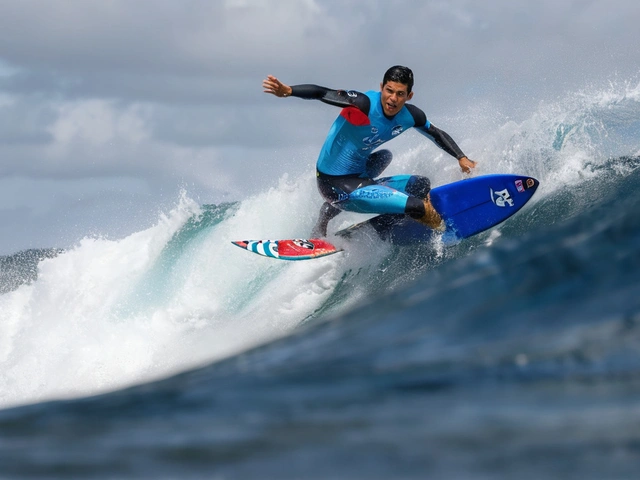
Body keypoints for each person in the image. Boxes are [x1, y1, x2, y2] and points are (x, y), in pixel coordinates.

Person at [262, 65, 477, 238]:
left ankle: (387, 220)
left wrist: (462, 157)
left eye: (400, 94)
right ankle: (444, 231)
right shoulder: (362, 103)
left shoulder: (411, 116)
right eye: (389, 91)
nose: (392, 98)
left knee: (420, 184)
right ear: (382, 87)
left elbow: (436, 133)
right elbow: (322, 92)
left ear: (409, 96)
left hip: (360, 174)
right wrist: (289, 91)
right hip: (333, 183)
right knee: (416, 205)